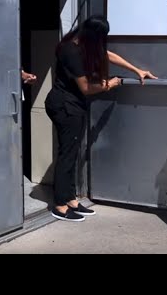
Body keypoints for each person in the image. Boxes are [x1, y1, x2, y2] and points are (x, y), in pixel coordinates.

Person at [45, 15, 157, 222]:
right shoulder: (71, 52)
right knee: (67, 155)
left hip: (71, 106)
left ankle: (70, 200)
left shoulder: (81, 45)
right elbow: (86, 88)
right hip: (65, 107)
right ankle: (60, 206)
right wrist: (111, 84)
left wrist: (136, 70)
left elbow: (107, 55)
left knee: (72, 152)